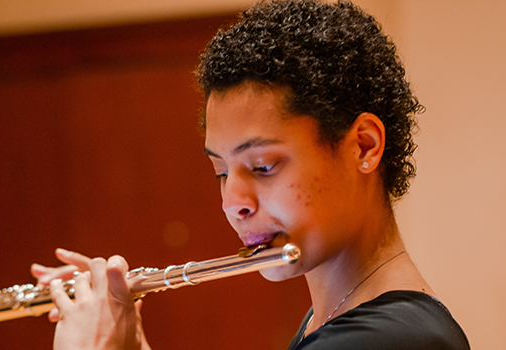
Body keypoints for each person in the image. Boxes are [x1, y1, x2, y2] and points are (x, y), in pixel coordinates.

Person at [30, 1, 469, 349]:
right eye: (221, 172)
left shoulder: (395, 340)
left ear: (364, 146)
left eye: (262, 166)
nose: (232, 201)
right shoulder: (336, 320)